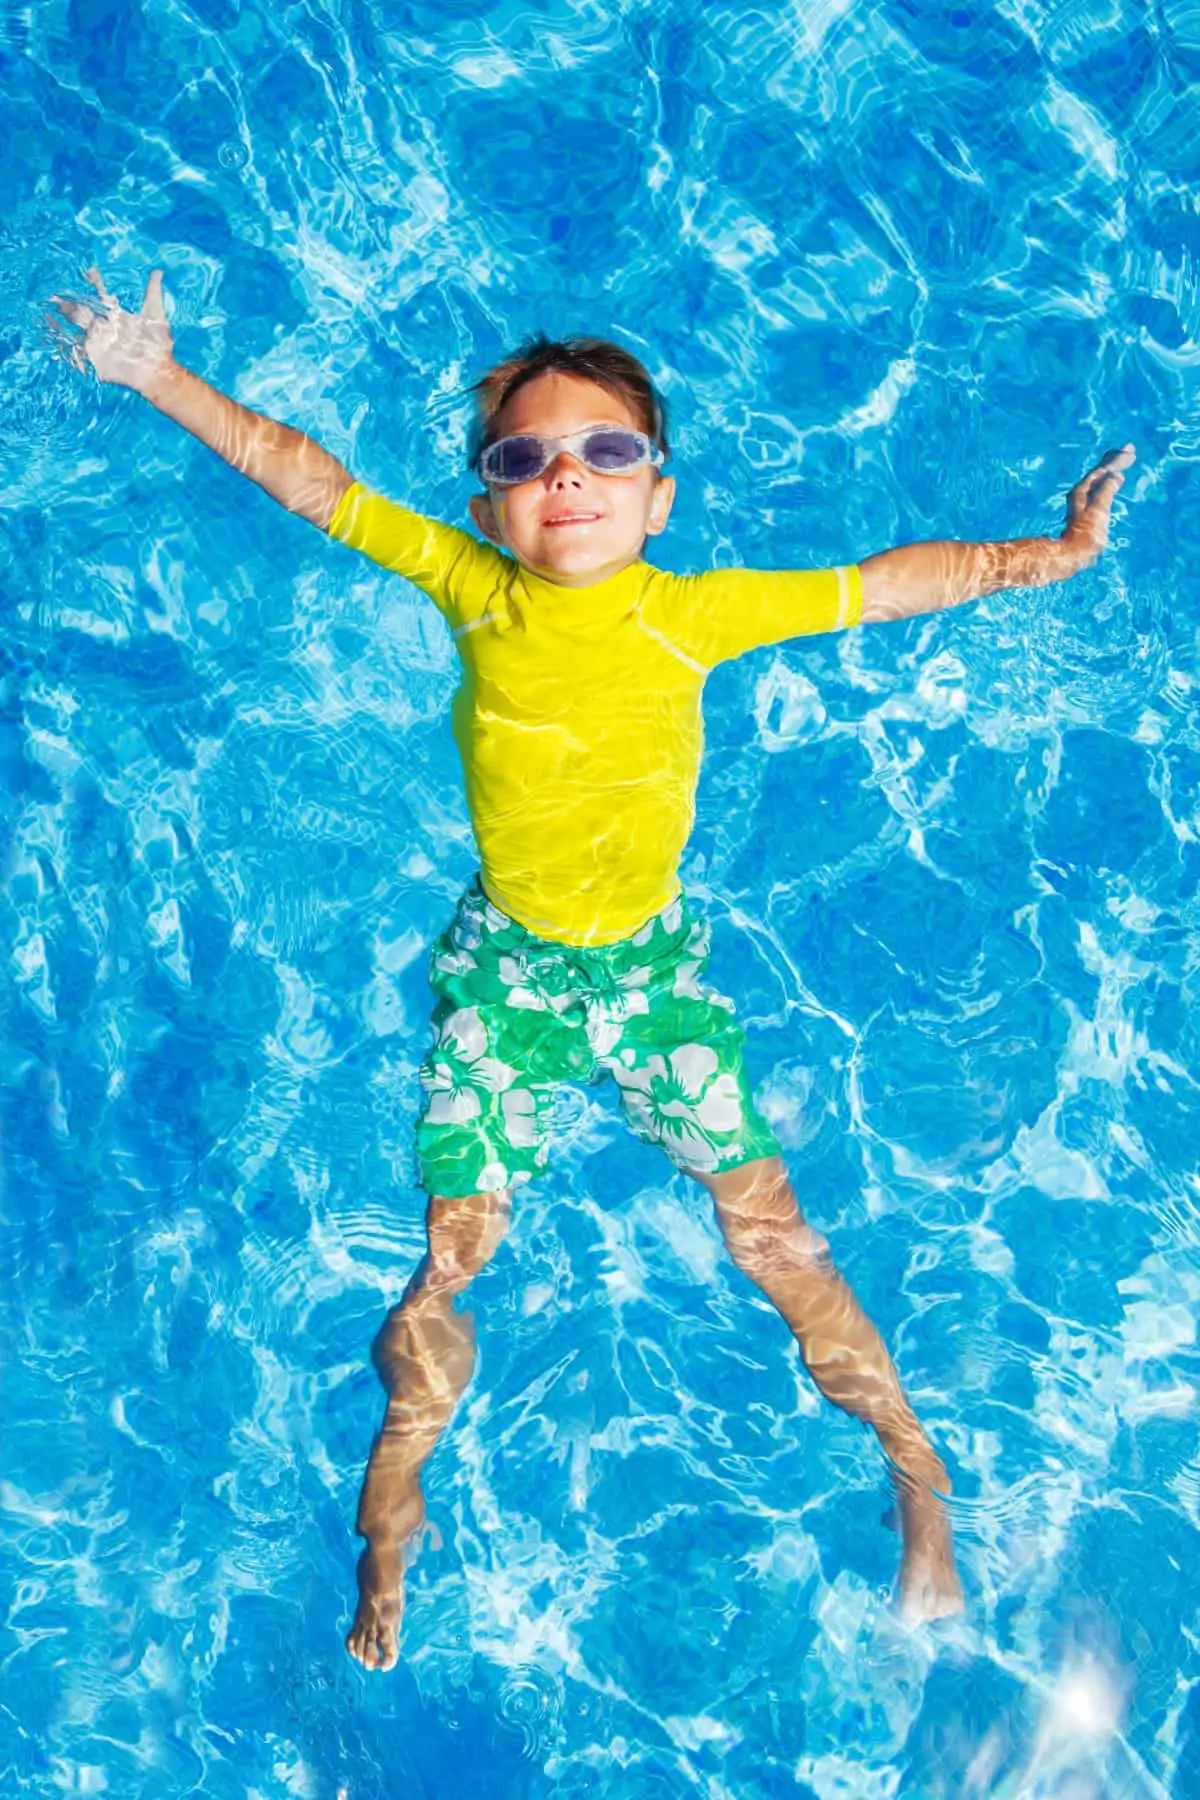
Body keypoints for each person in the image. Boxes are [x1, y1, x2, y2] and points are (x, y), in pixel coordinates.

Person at [54, 268, 1133, 1672]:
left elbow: (885, 584)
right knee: (445, 1269)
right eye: (526, 457)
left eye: (607, 452)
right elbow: (306, 479)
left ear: (659, 496)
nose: (568, 475)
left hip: (651, 978)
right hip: (503, 980)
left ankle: (917, 1491)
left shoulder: (699, 615)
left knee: (776, 1238)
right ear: (487, 500)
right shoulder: (468, 587)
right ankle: (393, 1529)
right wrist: (159, 378)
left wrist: (1040, 558)